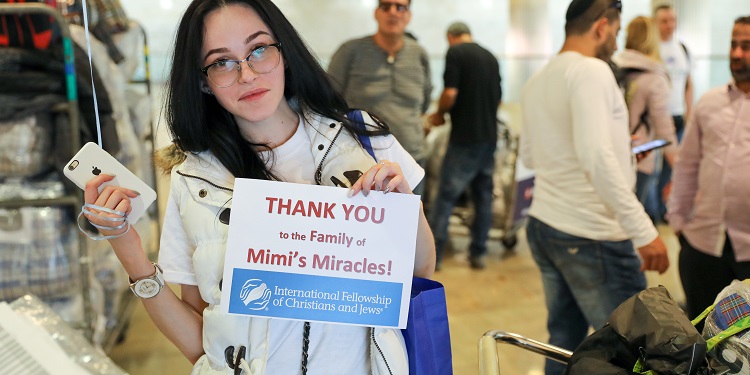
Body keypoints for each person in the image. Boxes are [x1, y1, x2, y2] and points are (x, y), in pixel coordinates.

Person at [80, 0, 435, 373]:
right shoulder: (196, 178)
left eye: (259, 50)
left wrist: (404, 206)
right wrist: (127, 248)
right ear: (203, 81)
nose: (247, 74)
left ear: (284, 52)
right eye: (222, 62)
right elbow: (202, 340)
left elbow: (421, 272)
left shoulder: (363, 141)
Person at [519, 1, 669, 373]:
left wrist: (619, 152)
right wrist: (644, 230)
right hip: (593, 235)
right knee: (637, 352)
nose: (616, 43)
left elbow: (534, 155)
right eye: (616, 33)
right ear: (601, 27)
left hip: (546, 226)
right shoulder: (592, 70)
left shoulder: (539, 78)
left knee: (564, 343)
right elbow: (595, 157)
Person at [667, 15, 750, 320]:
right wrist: (677, 220)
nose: (737, 53)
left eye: (747, 46)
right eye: (733, 44)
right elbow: (687, 165)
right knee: (699, 335)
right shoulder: (708, 103)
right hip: (703, 246)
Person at [327, 0, 433, 195]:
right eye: (386, 6)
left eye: (400, 7)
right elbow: (327, 100)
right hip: (363, 161)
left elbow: (424, 103)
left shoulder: (419, 54)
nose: (393, 12)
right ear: (376, 13)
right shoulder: (351, 51)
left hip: (412, 158)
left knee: (411, 224)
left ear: (408, 15)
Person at [427, 21, 502, 270]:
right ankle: (478, 253)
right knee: (482, 199)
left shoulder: (455, 52)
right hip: (489, 139)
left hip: (464, 140)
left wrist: (438, 115)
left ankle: (434, 255)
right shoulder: (491, 57)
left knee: (445, 198)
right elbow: (498, 98)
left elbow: (450, 93)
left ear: (450, 37)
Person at [612, 16, 677, 221]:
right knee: (632, 219)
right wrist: (680, 168)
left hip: (611, 153)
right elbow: (664, 129)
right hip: (641, 157)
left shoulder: (611, 69)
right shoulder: (654, 77)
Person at [654, 3, 693, 221]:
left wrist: (689, 112)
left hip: (677, 118)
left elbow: (689, 83)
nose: (670, 25)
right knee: (650, 169)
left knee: (671, 170)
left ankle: (664, 211)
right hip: (656, 120)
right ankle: (651, 213)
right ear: (656, 23)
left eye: (672, 20)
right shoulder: (652, 50)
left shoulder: (683, 50)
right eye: (664, 21)